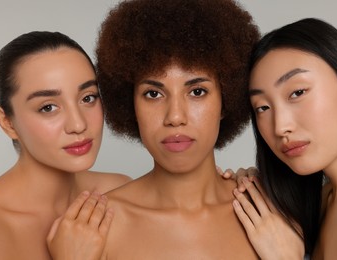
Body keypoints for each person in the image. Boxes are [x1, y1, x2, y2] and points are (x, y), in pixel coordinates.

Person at [93, 0, 269, 258]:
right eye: (153, 94)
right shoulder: (99, 226)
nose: (175, 117)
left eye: (197, 91)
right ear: (130, 105)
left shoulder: (268, 210)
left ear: (226, 100)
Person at [233, 18, 337, 259]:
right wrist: (254, 194)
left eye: (297, 93)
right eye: (262, 107)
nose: (281, 127)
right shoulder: (322, 203)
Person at [0, 31, 132, 260]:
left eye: (88, 98)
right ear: (7, 122)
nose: (78, 124)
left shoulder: (117, 193)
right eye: (48, 107)